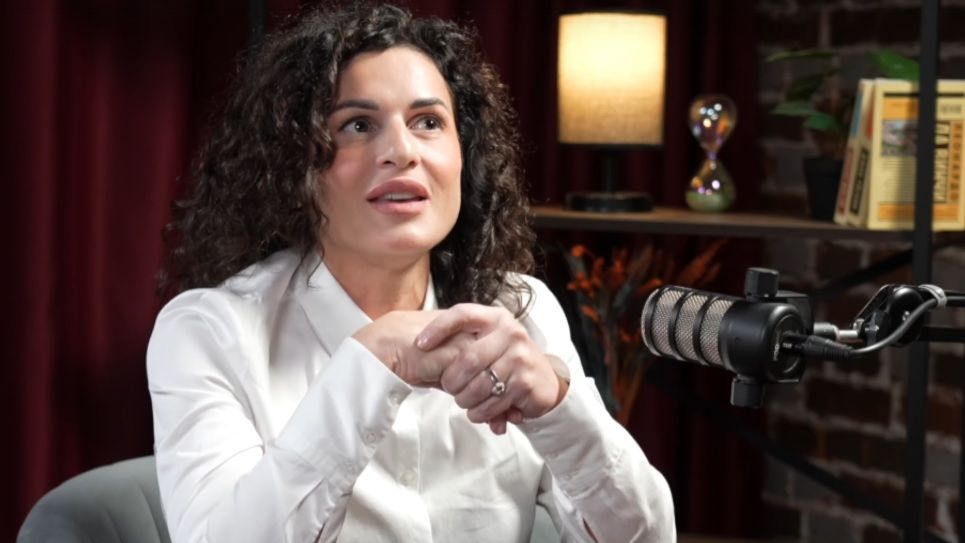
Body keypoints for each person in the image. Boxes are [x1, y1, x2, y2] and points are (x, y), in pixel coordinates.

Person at [147, 3, 675, 542]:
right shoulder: (207, 332)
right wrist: (374, 364)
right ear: (293, 163)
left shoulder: (521, 309)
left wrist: (561, 409)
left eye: (428, 122)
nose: (401, 151)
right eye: (357, 125)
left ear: (464, 155)